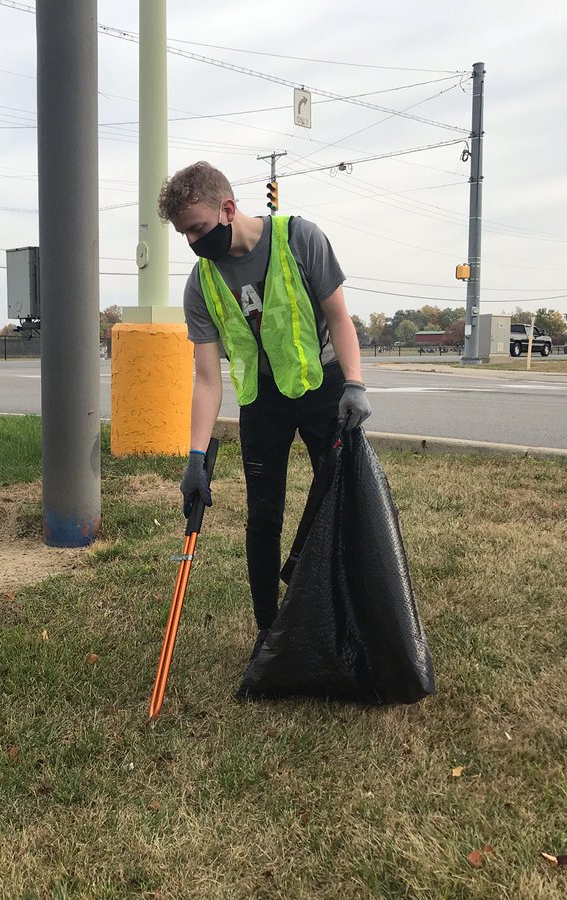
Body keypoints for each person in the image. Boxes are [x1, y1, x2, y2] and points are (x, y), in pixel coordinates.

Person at [157, 162, 372, 658]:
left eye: (198, 228)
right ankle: (268, 631)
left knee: (339, 496)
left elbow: (340, 317)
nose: (192, 242)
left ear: (228, 209)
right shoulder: (201, 284)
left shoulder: (301, 239)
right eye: (185, 233)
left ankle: (333, 606)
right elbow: (208, 378)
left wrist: (355, 384)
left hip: (323, 388)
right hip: (263, 403)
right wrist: (194, 457)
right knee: (263, 518)